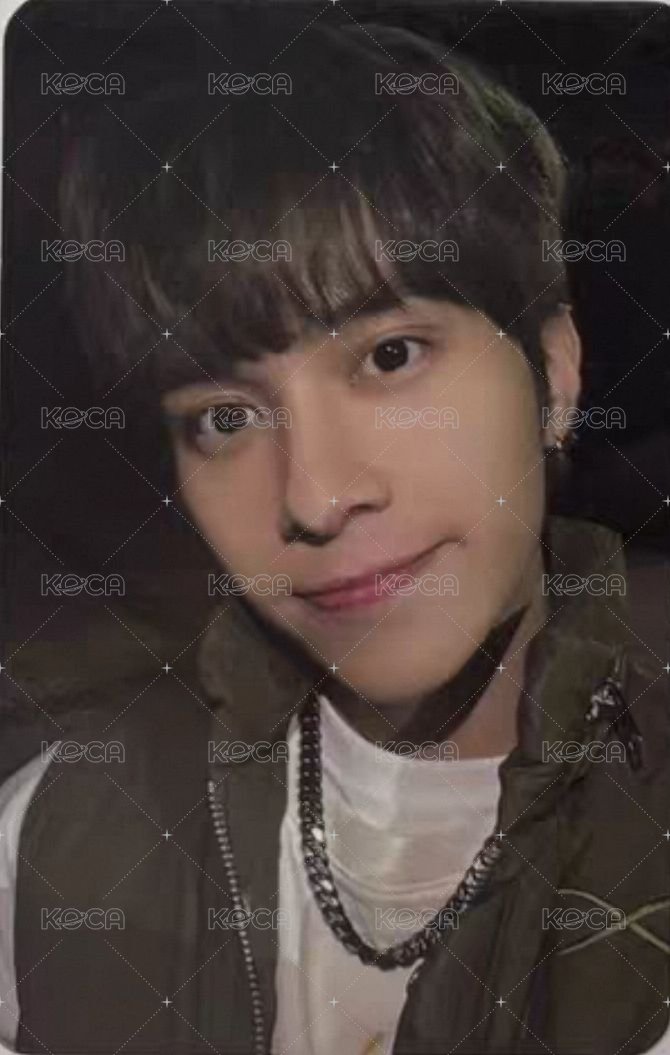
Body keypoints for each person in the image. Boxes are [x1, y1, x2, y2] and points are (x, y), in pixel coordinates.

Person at [1, 15, 669, 1055]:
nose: (314, 496)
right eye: (224, 416)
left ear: (556, 370)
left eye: (390, 355)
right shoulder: (56, 843)